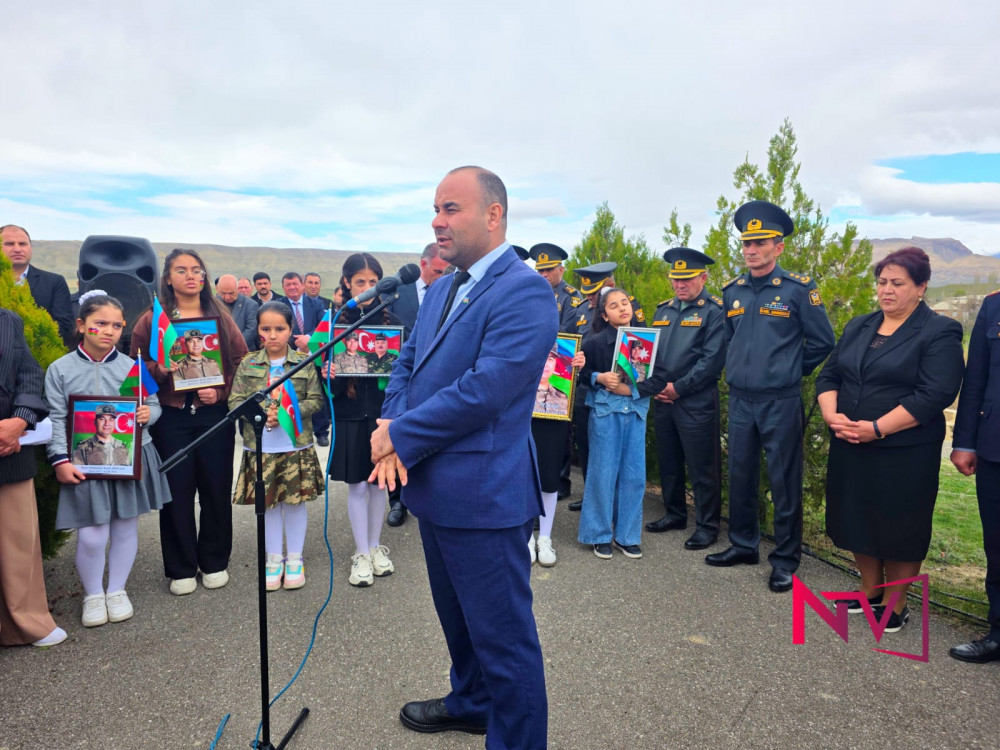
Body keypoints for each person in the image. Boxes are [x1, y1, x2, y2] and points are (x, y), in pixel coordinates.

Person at [369, 166, 555, 746]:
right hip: (436, 490)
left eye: (451, 208)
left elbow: (486, 388)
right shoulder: (445, 286)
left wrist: (400, 436)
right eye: (436, 209)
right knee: (461, 626)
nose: (437, 220)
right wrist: (390, 421)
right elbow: (409, 362)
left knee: (504, 642)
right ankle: (473, 703)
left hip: (484, 494)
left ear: (493, 214)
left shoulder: (524, 289)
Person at [817, 247, 964, 631]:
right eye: (882, 282)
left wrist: (877, 428)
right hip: (851, 442)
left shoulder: (939, 331)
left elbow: (935, 394)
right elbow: (829, 375)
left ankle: (895, 605)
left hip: (904, 450)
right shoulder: (859, 326)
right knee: (856, 517)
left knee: (900, 524)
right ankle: (870, 590)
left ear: (921, 286)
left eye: (897, 283)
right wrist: (833, 416)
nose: (887, 290)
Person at [707, 200, 836, 593]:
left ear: (778, 247)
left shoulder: (797, 290)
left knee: (783, 480)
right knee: (741, 475)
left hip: (780, 401)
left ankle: (785, 559)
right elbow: (729, 341)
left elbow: (822, 341)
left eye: (761, 243)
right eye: (747, 243)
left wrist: (789, 371)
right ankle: (744, 545)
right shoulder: (733, 291)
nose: (751, 250)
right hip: (742, 400)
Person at [45, 291, 173, 627]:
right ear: (81, 325)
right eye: (100, 323)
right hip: (83, 462)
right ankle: (92, 594)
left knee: (125, 527)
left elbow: (155, 406)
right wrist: (59, 459)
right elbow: (57, 417)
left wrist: (148, 414)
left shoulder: (133, 366)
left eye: (117, 325)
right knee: (91, 535)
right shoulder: (60, 369)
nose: (109, 331)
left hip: (129, 457)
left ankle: (116, 590)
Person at [130, 248, 248, 595]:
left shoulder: (220, 316)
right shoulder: (152, 320)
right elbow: (134, 372)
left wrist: (222, 392)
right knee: (176, 493)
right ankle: (181, 567)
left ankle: (214, 561)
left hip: (214, 416)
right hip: (171, 418)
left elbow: (242, 361)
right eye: (181, 270)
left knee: (215, 488)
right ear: (167, 278)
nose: (191, 276)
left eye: (197, 270)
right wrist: (159, 370)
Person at [230, 301, 324, 591]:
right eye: (266, 329)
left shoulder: (304, 362)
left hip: (294, 445)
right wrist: (259, 415)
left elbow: (316, 400)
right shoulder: (249, 363)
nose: (272, 335)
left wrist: (289, 412)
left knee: (294, 503)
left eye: (279, 329)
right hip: (262, 447)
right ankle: (273, 559)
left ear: (290, 329)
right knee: (268, 503)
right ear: (258, 330)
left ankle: (294, 558)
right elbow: (235, 402)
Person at [322, 253, 402, 588]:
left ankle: (374, 546)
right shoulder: (334, 323)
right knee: (357, 484)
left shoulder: (392, 322)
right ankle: (360, 553)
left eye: (373, 282)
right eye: (360, 282)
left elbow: (404, 371)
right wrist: (329, 373)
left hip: (382, 417)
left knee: (378, 484)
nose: (368, 289)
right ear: (347, 284)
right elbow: (325, 382)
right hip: (350, 415)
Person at [645, 248, 727, 551]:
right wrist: (655, 386)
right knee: (669, 461)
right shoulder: (663, 311)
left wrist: (678, 387)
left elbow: (712, 360)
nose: (680, 285)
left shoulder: (714, 311)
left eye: (687, 279)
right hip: (663, 399)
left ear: (703, 277)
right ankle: (675, 514)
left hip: (695, 401)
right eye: (675, 279)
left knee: (702, 466)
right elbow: (651, 353)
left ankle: (707, 526)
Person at [577, 288, 665, 560]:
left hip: (635, 413)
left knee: (633, 476)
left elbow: (660, 377)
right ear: (604, 315)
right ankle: (599, 534)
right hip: (605, 414)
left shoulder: (646, 340)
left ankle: (627, 535)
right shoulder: (593, 342)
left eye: (624, 303)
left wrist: (630, 391)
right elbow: (582, 375)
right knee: (603, 473)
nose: (622, 308)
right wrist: (599, 378)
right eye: (613, 306)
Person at [0, 308, 67, 648]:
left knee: (17, 542)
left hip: (9, 448)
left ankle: (25, 623)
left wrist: (20, 419)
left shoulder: (8, 320)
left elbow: (28, 375)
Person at [566, 262, 643, 512]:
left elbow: (643, 357)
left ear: (608, 285)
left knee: (618, 457)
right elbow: (567, 345)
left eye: (595, 293)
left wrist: (629, 388)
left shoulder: (626, 310)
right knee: (588, 448)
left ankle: (615, 503)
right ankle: (593, 496)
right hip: (585, 389)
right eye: (587, 293)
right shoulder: (580, 311)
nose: (589, 298)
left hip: (619, 396)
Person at [384, 243, 450, 526]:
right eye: (437, 270)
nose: (442, 275)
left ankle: (425, 490)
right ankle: (397, 500)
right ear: (423, 265)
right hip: (401, 374)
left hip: (436, 381)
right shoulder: (398, 292)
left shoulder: (452, 290)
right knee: (398, 433)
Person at [950, 289, 1000, 662]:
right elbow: (976, 380)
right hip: (995, 446)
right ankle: (998, 632)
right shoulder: (994, 305)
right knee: (997, 546)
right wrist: (964, 441)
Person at [529, 343, 585, 567]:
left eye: (551, 359)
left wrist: (577, 367)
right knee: (524, 477)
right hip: (524, 416)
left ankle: (544, 537)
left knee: (550, 479)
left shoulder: (561, 396)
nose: (546, 364)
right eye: (542, 358)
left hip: (554, 423)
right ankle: (526, 538)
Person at [1, 224, 74, 346]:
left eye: (23, 244)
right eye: (9, 244)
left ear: (30, 247)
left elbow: (65, 326)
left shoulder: (54, 282)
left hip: (40, 355)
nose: (17, 249)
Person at [282, 271, 330, 447]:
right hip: (290, 355)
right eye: (288, 285)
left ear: (302, 285)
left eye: (295, 284)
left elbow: (323, 325)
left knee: (316, 393)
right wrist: (296, 342)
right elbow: (279, 326)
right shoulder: (279, 305)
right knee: (292, 393)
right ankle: (291, 429)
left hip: (313, 355)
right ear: (284, 287)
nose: (292, 287)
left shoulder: (316, 304)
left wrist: (308, 339)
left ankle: (322, 432)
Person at [387, 242, 451, 337]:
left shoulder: (452, 293)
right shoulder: (395, 290)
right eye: (438, 271)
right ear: (423, 264)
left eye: (446, 272)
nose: (442, 277)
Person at [529, 243, 585, 333]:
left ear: (561, 270)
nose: (544, 274)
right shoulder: (533, 294)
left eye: (549, 269)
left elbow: (566, 331)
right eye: (541, 270)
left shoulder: (570, 296)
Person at [216, 274, 260, 350]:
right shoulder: (213, 303)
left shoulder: (251, 305)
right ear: (217, 289)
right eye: (223, 293)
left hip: (244, 351)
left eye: (231, 293)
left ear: (237, 289)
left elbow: (251, 330)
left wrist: (233, 345)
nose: (227, 297)